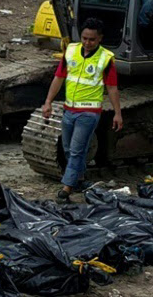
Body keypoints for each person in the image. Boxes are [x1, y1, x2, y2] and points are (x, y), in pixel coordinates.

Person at [42, 18, 123, 203]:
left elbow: (112, 88)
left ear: (100, 38)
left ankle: (67, 188)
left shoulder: (106, 58)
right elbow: (59, 77)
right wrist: (48, 101)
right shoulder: (70, 51)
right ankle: (79, 179)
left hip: (89, 112)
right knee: (69, 149)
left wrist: (118, 113)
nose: (87, 43)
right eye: (85, 38)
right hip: (69, 109)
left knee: (77, 150)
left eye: (92, 40)